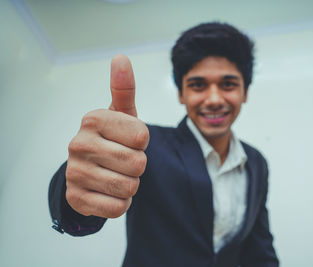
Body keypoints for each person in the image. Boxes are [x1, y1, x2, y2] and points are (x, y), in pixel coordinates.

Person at [48, 22, 279, 267]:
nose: (213, 99)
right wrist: (77, 195)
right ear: (181, 94)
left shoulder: (256, 162)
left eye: (228, 84)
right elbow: (87, 191)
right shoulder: (145, 144)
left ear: (245, 92)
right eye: (198, 85)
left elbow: (259, 249)